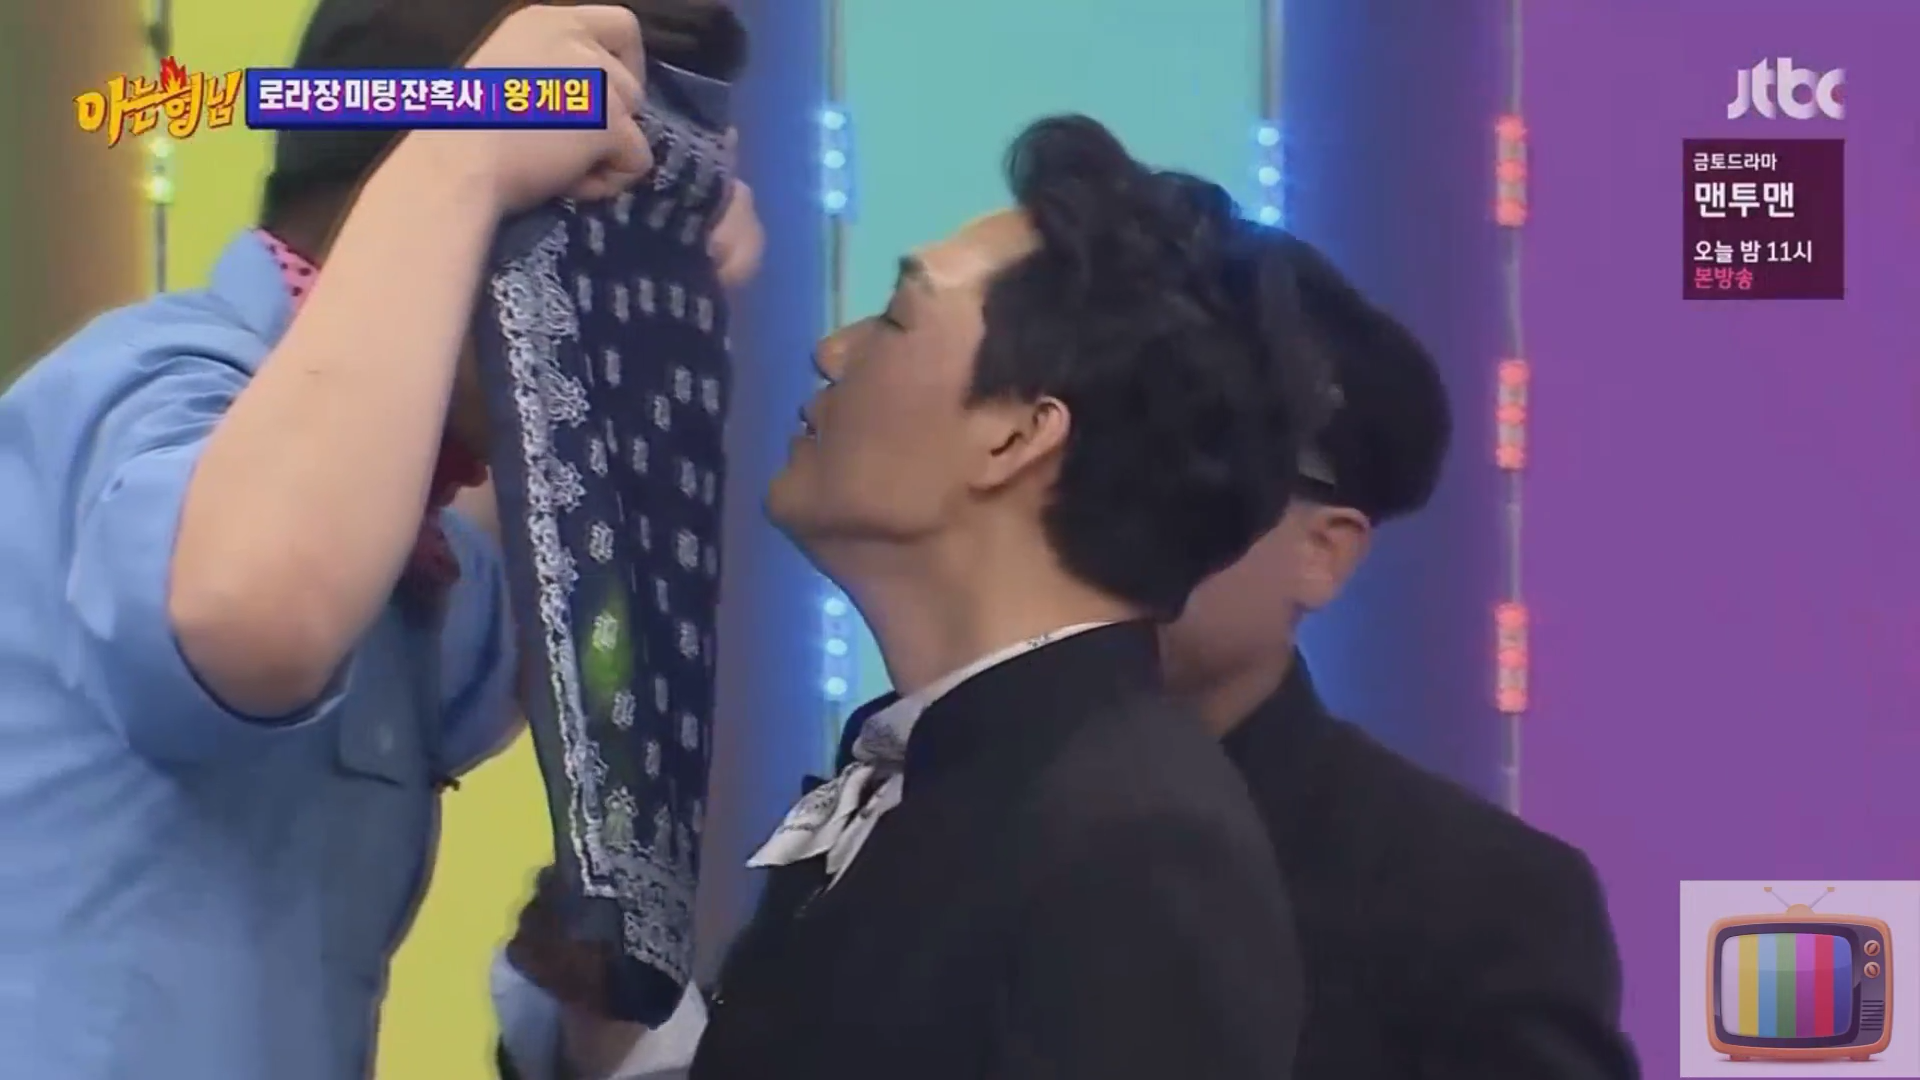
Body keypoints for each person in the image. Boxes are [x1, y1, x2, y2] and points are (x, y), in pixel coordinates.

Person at [0, 3, 760, 1078]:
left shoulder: (411, 539)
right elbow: (253, 613)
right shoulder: (154, 394)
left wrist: (662, 275)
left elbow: (549, 622)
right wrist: (459, 164)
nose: (620, 304)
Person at [499, 115, 1308, 1080]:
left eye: (892, 317)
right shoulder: (939, 769)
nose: (833, 351)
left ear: (1015, 437)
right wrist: (602, 1025)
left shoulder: (1136, 847)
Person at [1157, 232, 1641, 1079]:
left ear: (1324, 550)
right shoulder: (922, 807)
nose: (1087, 506)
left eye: (1180, 453)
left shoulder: (1473, 903)